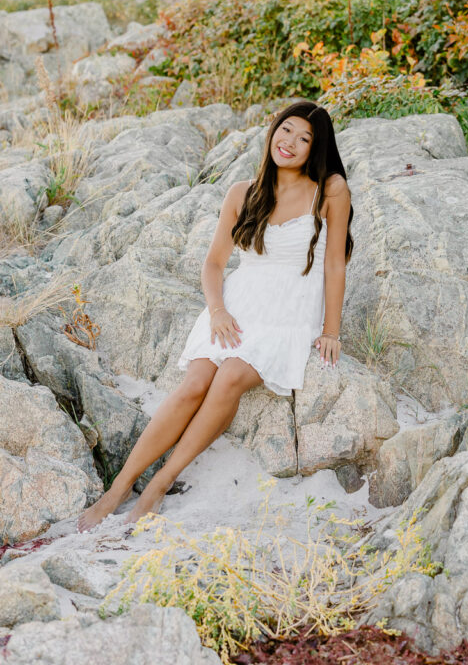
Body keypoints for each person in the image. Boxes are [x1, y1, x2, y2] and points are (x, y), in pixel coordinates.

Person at [77, 99, 353, 532]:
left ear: (315, 150)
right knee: (193, 385)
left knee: (228, 379)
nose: (291, 143)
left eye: (305, 139)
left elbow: (335, 263)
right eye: (287, 130)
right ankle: (120, 486)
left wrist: (332, 330)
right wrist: (218, 310)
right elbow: (213, 264)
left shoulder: (330, 188)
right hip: (240, 302)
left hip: (291, 309)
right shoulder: (242, 193)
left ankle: (160, 483)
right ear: (273, 130)